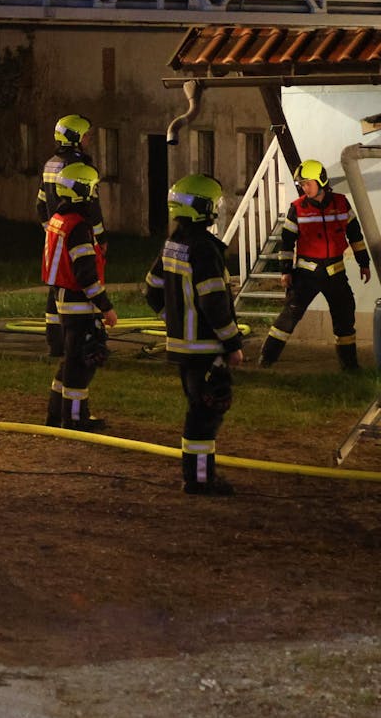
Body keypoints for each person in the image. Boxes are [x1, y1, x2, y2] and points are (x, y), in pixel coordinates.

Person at [144, 174, 245, 495]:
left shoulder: (174, 244)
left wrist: (174, 321)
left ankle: (197, 476)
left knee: (198, 410)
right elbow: (215, 302)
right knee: (206, 413)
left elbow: (152, 290)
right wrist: (232, 343)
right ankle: (201, 479)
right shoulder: (204, 249)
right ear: (203, 208)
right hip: (206, 347)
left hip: (184, 348)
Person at [259, 159, 371, 370]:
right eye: (302, 184)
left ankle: (350, 366)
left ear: (321, 180)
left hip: (335, 273)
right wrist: (285, 271)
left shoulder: (341, 203)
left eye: (307, 183)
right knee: (289, 317)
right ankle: (267, 358)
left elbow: (355, 235)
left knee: (345, 318)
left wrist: (363, 263)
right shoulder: (297, 208)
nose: (304, 187)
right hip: (306, 275)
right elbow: (287, 243)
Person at [42, 162, 117, 431]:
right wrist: (106, 307)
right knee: (82, 365)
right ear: (84, 191)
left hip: (64, 301)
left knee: (71, 361)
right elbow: (85, 274)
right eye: (93, 189)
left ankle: (56, 413)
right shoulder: (79, 227)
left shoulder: (59, 219)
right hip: (80, 306)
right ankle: (75, 419)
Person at [36, 114, 104, 357]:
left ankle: (55, 343)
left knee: (56, 285)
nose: (89, 140)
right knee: (80, 283)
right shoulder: (80, 169)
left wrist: (51, 229)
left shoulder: (50, 164)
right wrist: (100, 238)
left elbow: (40, 203)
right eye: (87, 135)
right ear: (76, 137)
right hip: (78, 233)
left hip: (56, 233)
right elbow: (92, 207)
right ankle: (85, 339)